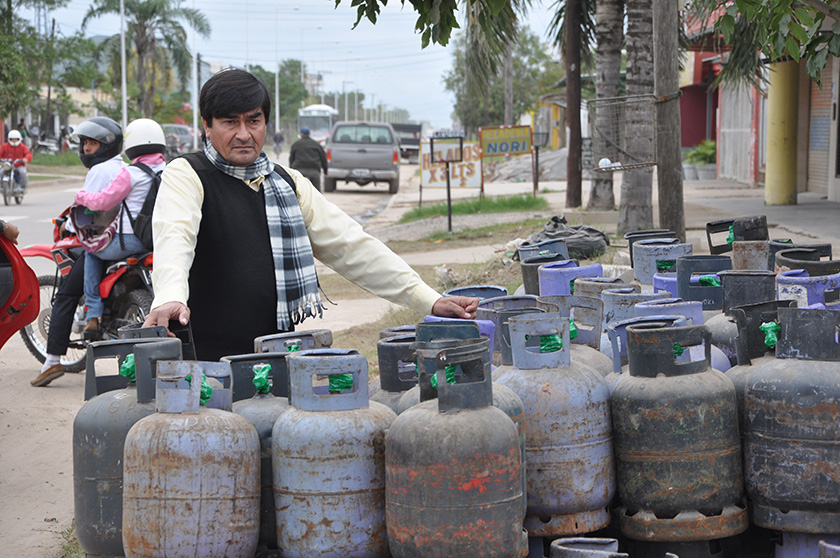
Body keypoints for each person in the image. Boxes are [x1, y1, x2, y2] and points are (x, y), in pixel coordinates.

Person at [142, 68, 477, 361]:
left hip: (277, 354)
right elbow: (175, 237)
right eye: (230, 122)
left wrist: (429, 300)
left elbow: (352, 247)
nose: (244, 134)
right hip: (207, 362)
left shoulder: (288, 183)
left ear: (265, 124)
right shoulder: (188, 174)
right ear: (207, 125)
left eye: (253, 121)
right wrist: (170, 296)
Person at [31, 116, 126, 387]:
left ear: (105, 145)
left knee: (66, 295)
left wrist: (67, 225)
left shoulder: (98, 171)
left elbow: (88, 211)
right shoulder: (123, 167)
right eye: (84, 143)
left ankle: (52, 361)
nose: (85, 149)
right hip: (128, 241)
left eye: (91, 144)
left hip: (103, 241)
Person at [74, 118, 164, 338]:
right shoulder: (169, 169)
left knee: (92, 251)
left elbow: (103, 202)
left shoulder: (131, 173)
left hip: (130, 240)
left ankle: (93, 313)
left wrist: (81, 196)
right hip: (160, 238)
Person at [289, 126, 327, 192]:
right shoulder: (316, 144)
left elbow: (291, 159)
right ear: (309, 134)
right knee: (316, 193)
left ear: (301, 134)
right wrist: (325, 170)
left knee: (298, 192)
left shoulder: (296, 144)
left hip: (299, 172)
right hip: (314, 172)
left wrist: (291, 170)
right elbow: (323, 158)